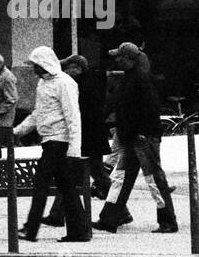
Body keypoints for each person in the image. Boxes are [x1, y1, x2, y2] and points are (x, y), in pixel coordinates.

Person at [94, 42, 178, 234]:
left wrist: (140, 132)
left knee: (152, 179)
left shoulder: (139, 79)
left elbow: (149, 109)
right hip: (134, 136)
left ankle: (168, 221)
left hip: (141, 137)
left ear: (129, 59)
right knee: (123, 179)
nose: (117, 60)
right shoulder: (134, 76)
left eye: (120, 57)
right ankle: (109, 219)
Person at [13, 45, 91, 242]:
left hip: (60, 141)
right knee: (67, 188)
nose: (33, 69)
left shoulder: (64, 83)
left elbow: (73, 116)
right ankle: (79, 230)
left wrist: (74, 149)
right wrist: (18, 130)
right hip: (50, 141)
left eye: (35, 65)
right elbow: (38, 113)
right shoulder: (44, 84)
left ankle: (31, 228)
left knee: (42, 185)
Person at [41, 54, 110, 226]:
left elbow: (78, 115)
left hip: (87, 139)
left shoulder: (79, 85)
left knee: (79, 174)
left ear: (77, 68)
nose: (65, 71)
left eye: (68, 68)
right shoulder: (89, 82)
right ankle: (57, 214)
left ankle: (57, 214)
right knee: (87, 174)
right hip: (91, 138)